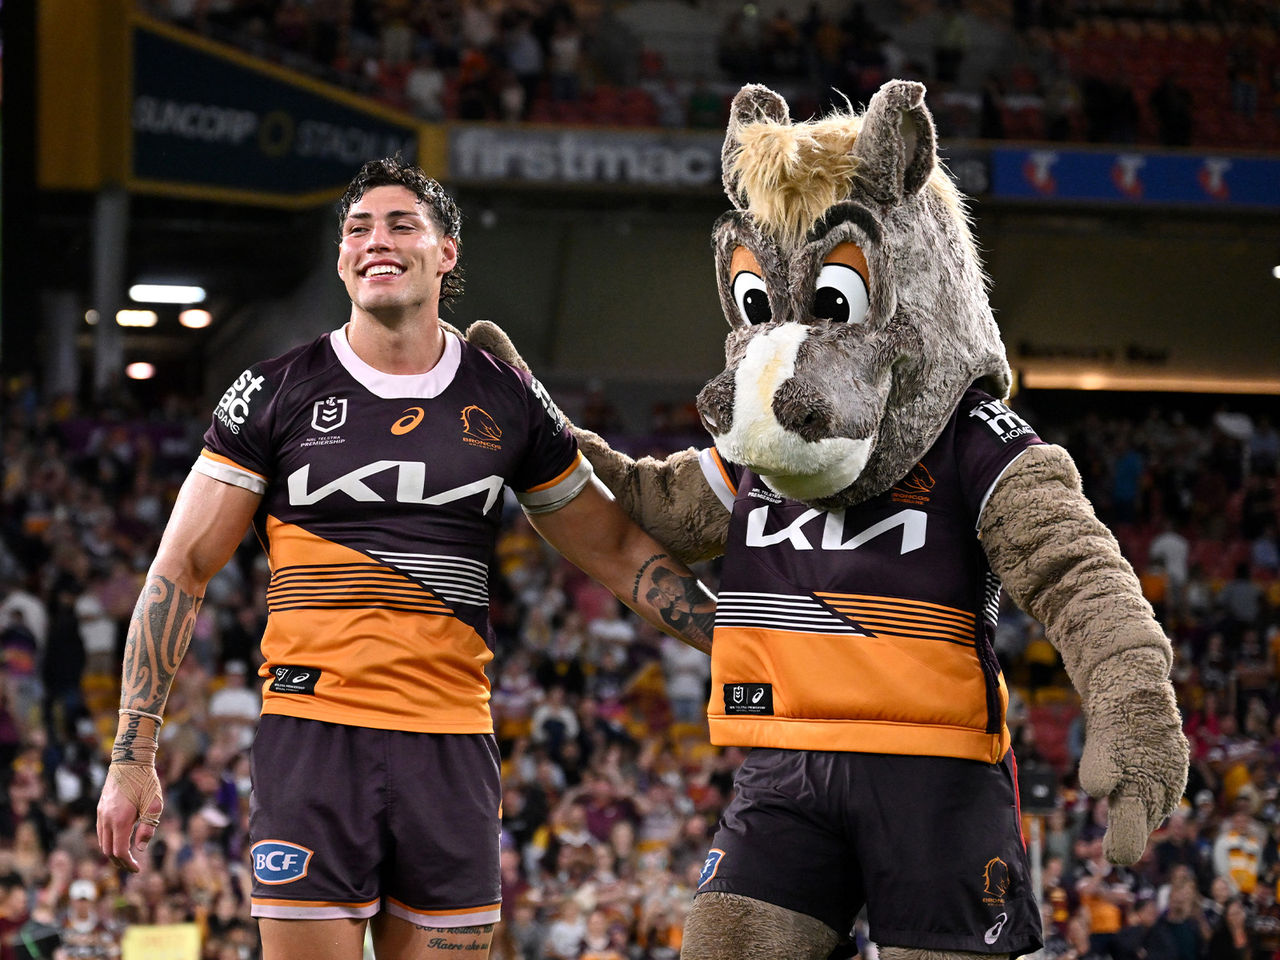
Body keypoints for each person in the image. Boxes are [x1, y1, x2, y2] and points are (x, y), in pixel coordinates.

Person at [96, 156, 715, 960]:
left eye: (400, 224)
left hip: (451, 744)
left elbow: (618, 549)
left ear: (446, 253)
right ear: (341, 256)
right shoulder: (272, 391)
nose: (375, 241)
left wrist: (742, 636)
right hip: (314, 741)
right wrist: (131, 754)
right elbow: (179, 570)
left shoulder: (505, 398)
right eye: (357, 228)